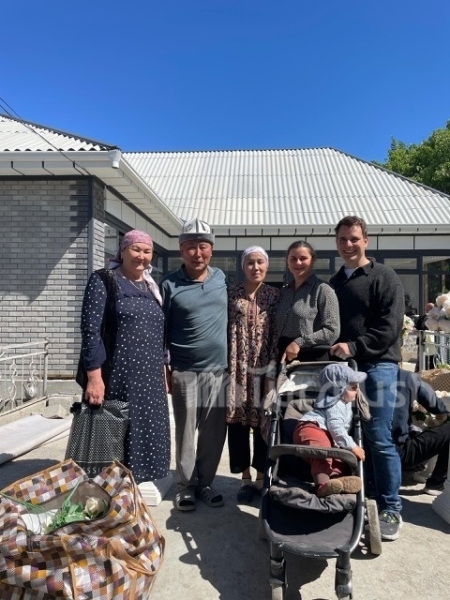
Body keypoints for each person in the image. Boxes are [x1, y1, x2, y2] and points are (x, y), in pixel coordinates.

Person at [329, 215, 405, 541]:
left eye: (354, 239)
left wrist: (354, 346)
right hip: (345, 369)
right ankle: (367, 494)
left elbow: (390, 327)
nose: (349, 245)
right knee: (349, 434)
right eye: (343, 239)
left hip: (379, 366)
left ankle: (391, 506)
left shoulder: (384, 277)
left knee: (378, 436)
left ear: (366, 241)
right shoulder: (334, 284)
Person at [77, 229, 170, 483]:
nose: (141, 256)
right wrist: (94, 377)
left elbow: (158, 334)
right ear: (123, 251)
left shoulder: (152, 287)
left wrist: (163, 372)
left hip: (149, 382)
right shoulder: (104, 280)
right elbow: (90, 330)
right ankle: (106, 499)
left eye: (147, 251)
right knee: (111, 444)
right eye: (136, 249)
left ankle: (132, 496)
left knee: (143, 441)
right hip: (117, 377)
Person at [161, 218, 228, 511]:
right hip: (184, 370)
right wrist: (165, 366)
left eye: (202, 247)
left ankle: (207, 484)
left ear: (211, 250)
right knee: (186, 432)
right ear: (181, 250)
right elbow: (159, 329)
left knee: (214, 433)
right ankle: (185, 486)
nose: (196, 253)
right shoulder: (169, 284)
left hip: (219, 370)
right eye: (190, 247)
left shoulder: (221, 279)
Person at [227, 246, 279, 504]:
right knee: (236, 422)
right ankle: (245, 478)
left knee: (263, 423)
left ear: (266, 266)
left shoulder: (275, 296)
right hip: (236, 368)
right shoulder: (232, 294)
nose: (255, 267)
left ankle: (261, 477)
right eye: (250, 263)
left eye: (260, 262)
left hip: (264, 368)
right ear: (243, 265)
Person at [292, 364, 366, 497]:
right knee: (323, 453)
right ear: (340, 390)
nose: (357, 391)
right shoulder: (336, 404)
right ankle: (322, 487)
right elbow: (336, 428)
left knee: (339, 459)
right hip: (311, 428)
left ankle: (336, 482)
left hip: (327, 436)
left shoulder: (346, 403)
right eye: (353, 387)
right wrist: (353, 446)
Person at [275, 241, 340, 363]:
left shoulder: (323, 290)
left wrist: (299, 342)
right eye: (293, 259)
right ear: (287, 262)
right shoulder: (284, 292)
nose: (298, 263)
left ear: (313, 260)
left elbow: (332, 331)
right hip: (284, 357)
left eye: (303, 258)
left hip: (310, 359)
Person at [395, 369, 450, 495]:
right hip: (398, 453)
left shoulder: (359, 375)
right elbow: (436, 404)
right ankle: (436, 483)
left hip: (371, 452)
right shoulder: (404, 377)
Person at [415, 302, 436, 371]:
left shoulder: (435, 318)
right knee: (421, 358)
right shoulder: (421, 318)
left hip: (432, 343)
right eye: (427, 308)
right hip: (421, 341)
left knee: (431, 359)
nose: (428, 310)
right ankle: (420, 372)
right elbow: (417, 328)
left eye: (430, 308)